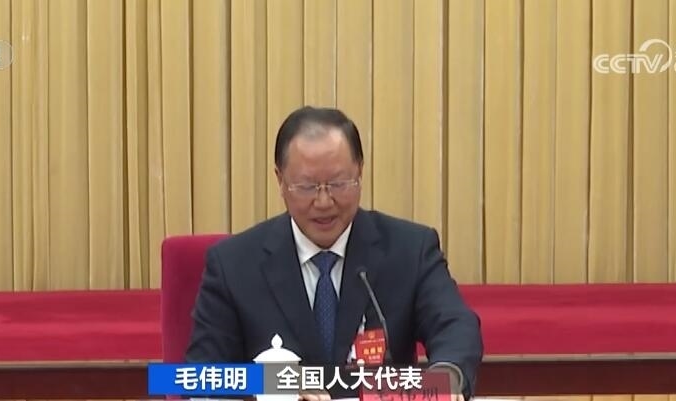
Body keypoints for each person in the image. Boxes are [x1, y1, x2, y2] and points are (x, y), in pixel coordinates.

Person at [185, 106, 483, 400]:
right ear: (280, 181)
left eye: (339, 184)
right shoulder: (233, 264)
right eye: (307, 187)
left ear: (360, 172)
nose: (324, 201)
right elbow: (198, 376)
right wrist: (272, 382)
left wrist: (448, 377)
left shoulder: (410, 249)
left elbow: (456, 326)